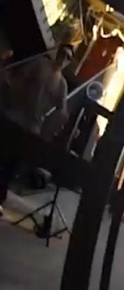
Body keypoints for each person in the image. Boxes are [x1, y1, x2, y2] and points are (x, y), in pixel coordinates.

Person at [0, 44, 71, 217]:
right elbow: (17, 77)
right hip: (15, 115)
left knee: (12, 165)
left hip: (33, 126)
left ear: (69, 62)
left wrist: (51, 128)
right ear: (57, 53)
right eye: (62, 54)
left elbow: (62, 112)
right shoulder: (40, 64)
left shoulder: (62, 84)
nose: (63, 58)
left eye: (68, 57)